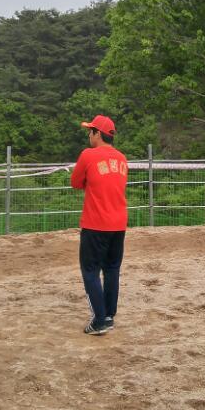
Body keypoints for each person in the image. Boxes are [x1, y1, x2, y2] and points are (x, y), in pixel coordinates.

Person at [70, 114, 128, 336]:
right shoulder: (122, 159)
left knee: (90, 271)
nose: (88, 134)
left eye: (90, 130)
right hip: (119, 224)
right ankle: (109, 316)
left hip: (95, 224)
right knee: (112, 269)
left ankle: (99, 321)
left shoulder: (88, 155)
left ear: (97, 134)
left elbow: (76, 182)